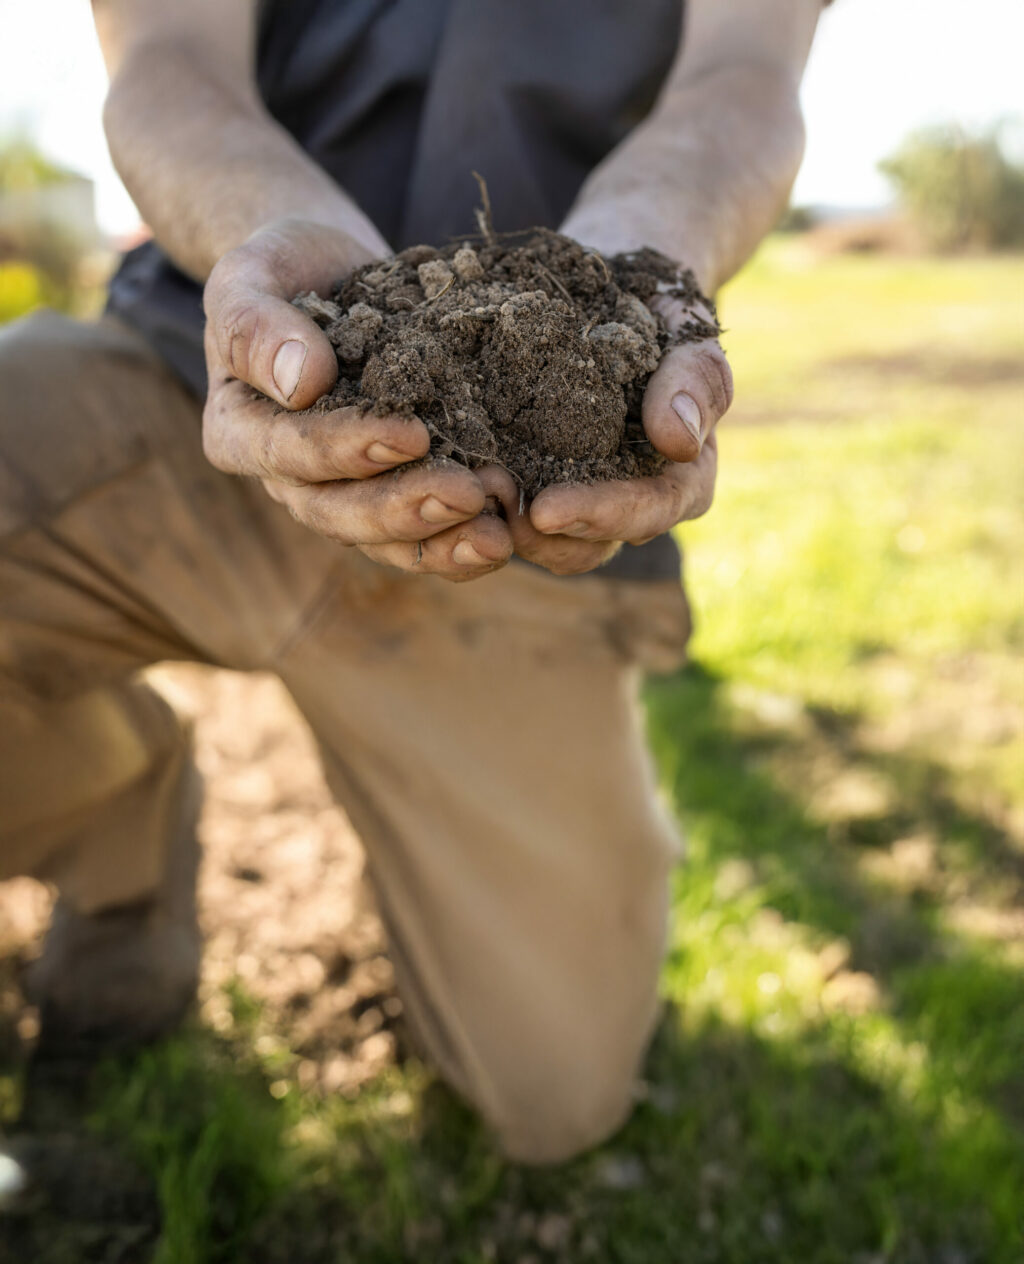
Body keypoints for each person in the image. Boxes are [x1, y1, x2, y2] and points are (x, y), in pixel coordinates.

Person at [0, 0, 824, 1164]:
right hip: (196, 375)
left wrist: (650, 253)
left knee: (557, 1093)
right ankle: (118, 812)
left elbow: (742, 73)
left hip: (521, 516)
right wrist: (277, 231)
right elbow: (167, 58)